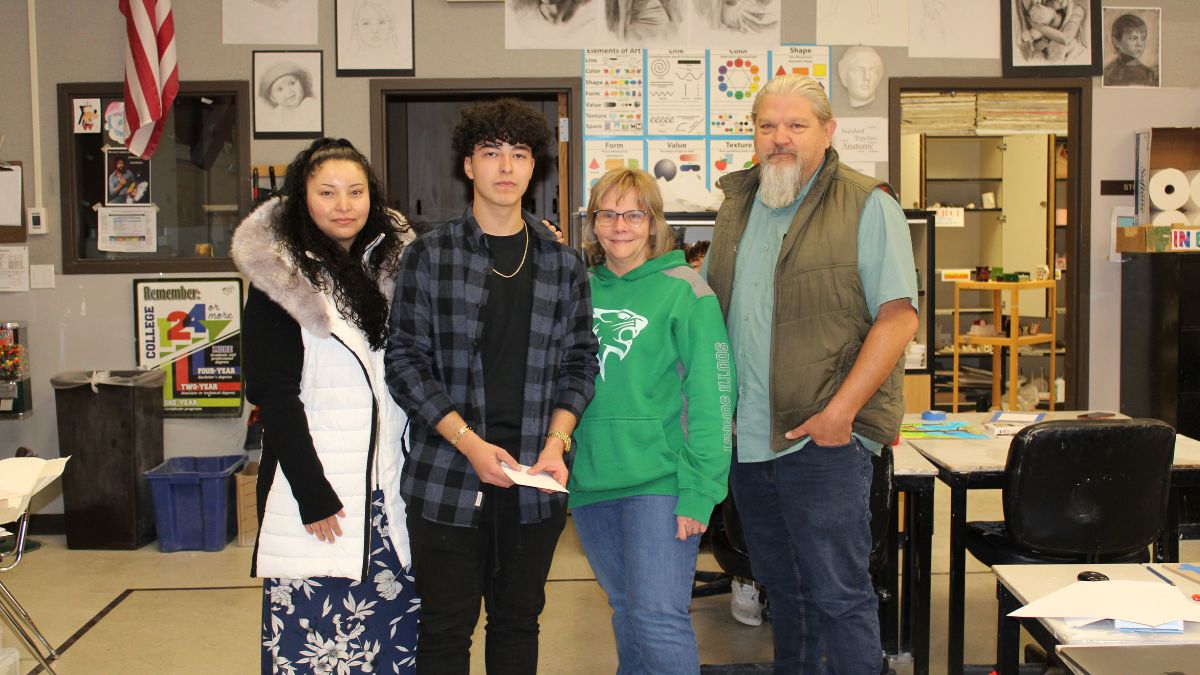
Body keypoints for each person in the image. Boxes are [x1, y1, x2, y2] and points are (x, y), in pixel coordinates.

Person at [703, 74, 918, 674]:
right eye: (767, 125)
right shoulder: (739, 203)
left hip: (822, 440)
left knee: (840, 595)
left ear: (827, 131)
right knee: (785, 595)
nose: (781, 138)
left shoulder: (866, 202)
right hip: (750, 442)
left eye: (796, 125)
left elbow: (898, 319)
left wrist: (840, 415)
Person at [384, 98, 598, 674]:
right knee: (445, 632)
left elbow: (581, 363)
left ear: (534, 169)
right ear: (468, 166)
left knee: (517, 624)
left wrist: (558, 444)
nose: (506, 166)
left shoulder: (562, 262)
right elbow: (404, 362)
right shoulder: (428, 257)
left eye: (519, 154)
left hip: (534, 481)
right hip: (447, 479)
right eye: (491, 152)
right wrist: (470, 444)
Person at [233, 137, 420, 674]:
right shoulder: (283, 276)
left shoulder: (391, 268)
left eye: (356, 191)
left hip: (389, 493)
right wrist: (312, 492)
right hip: (321, 499)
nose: (344, 205)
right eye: (328, 192)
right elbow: (274, 394)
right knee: (317, 647)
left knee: (393, 646)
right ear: (302, 199)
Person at [569, 168, 735, 674]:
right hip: (592, 481)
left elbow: (713, 398)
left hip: (660, 482)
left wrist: (700, 490)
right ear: (593, 222)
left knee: (659, 618)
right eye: (608, 213)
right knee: (627, 611)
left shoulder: (686, 292)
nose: (620, 225)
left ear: (653, 221)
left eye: (634, 214)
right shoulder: (576, 290)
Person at [257, 61, 320, 132]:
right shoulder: (275, 115)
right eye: (280, 89)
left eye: (292, 83)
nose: (289, 91)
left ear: (301, 82)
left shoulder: (310, 105)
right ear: (272, 98)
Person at [1103, 13, 1157, 87]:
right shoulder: (1108, 72)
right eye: (1133, 38)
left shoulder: (1149, 74)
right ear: (1116, 41)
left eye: (1143, 38)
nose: (1140, 44)